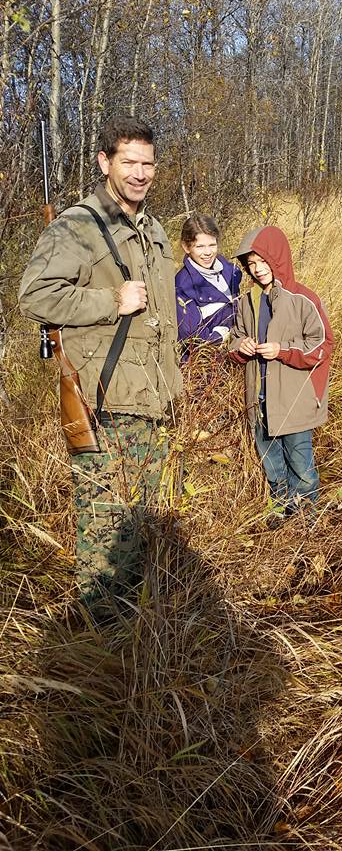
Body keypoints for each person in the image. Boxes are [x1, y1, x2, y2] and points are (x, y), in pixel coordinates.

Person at [19, 115, 183, 611]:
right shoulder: (79, 227)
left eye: (147, 163)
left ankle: (130, 630)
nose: (139, 173)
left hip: (152, 399)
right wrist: (109, 300)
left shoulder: (152, 228)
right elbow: (35, 294)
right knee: (106, 526)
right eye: (128, 161)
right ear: (104, 162)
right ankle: (99, 641)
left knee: (140, 521)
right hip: (105, 402)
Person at [229, 225, 334, 521]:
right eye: (251, 264)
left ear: (277, 258)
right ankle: (280, 516)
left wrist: (282, 351)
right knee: (272, 466)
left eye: (263, 261)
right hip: (259, 402)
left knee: (301, 469)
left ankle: (305, 525)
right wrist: (242, 346)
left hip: (294, 402)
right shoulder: (248, 301)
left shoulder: (303, 298)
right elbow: (234, 339)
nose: (258, 269)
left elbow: (322, 345)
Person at [176, 212, 241, 351]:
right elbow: (193, 339)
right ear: (186, 247)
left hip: (237, 353)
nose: (208, 252)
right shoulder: (182, 286)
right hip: (207, 363)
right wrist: (222, 335)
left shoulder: (231, 271)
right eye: (199, 247)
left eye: (212, 245)